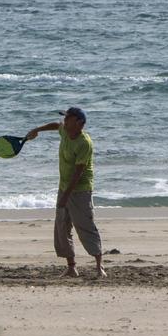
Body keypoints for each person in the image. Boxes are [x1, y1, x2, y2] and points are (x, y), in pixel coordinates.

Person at [26, 107, 107, 279]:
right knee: (62, 228)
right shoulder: (65, 131)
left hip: (80, 190)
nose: (65, 121)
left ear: (79, 123)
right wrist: (37, 130)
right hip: (64, 186)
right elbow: (56, 125)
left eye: (68, 118)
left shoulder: (84, 143)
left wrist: (65, 197)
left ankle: (99, 267)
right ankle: (71, 267)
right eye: (66, 117)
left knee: (85, 227)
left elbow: (78, 173)